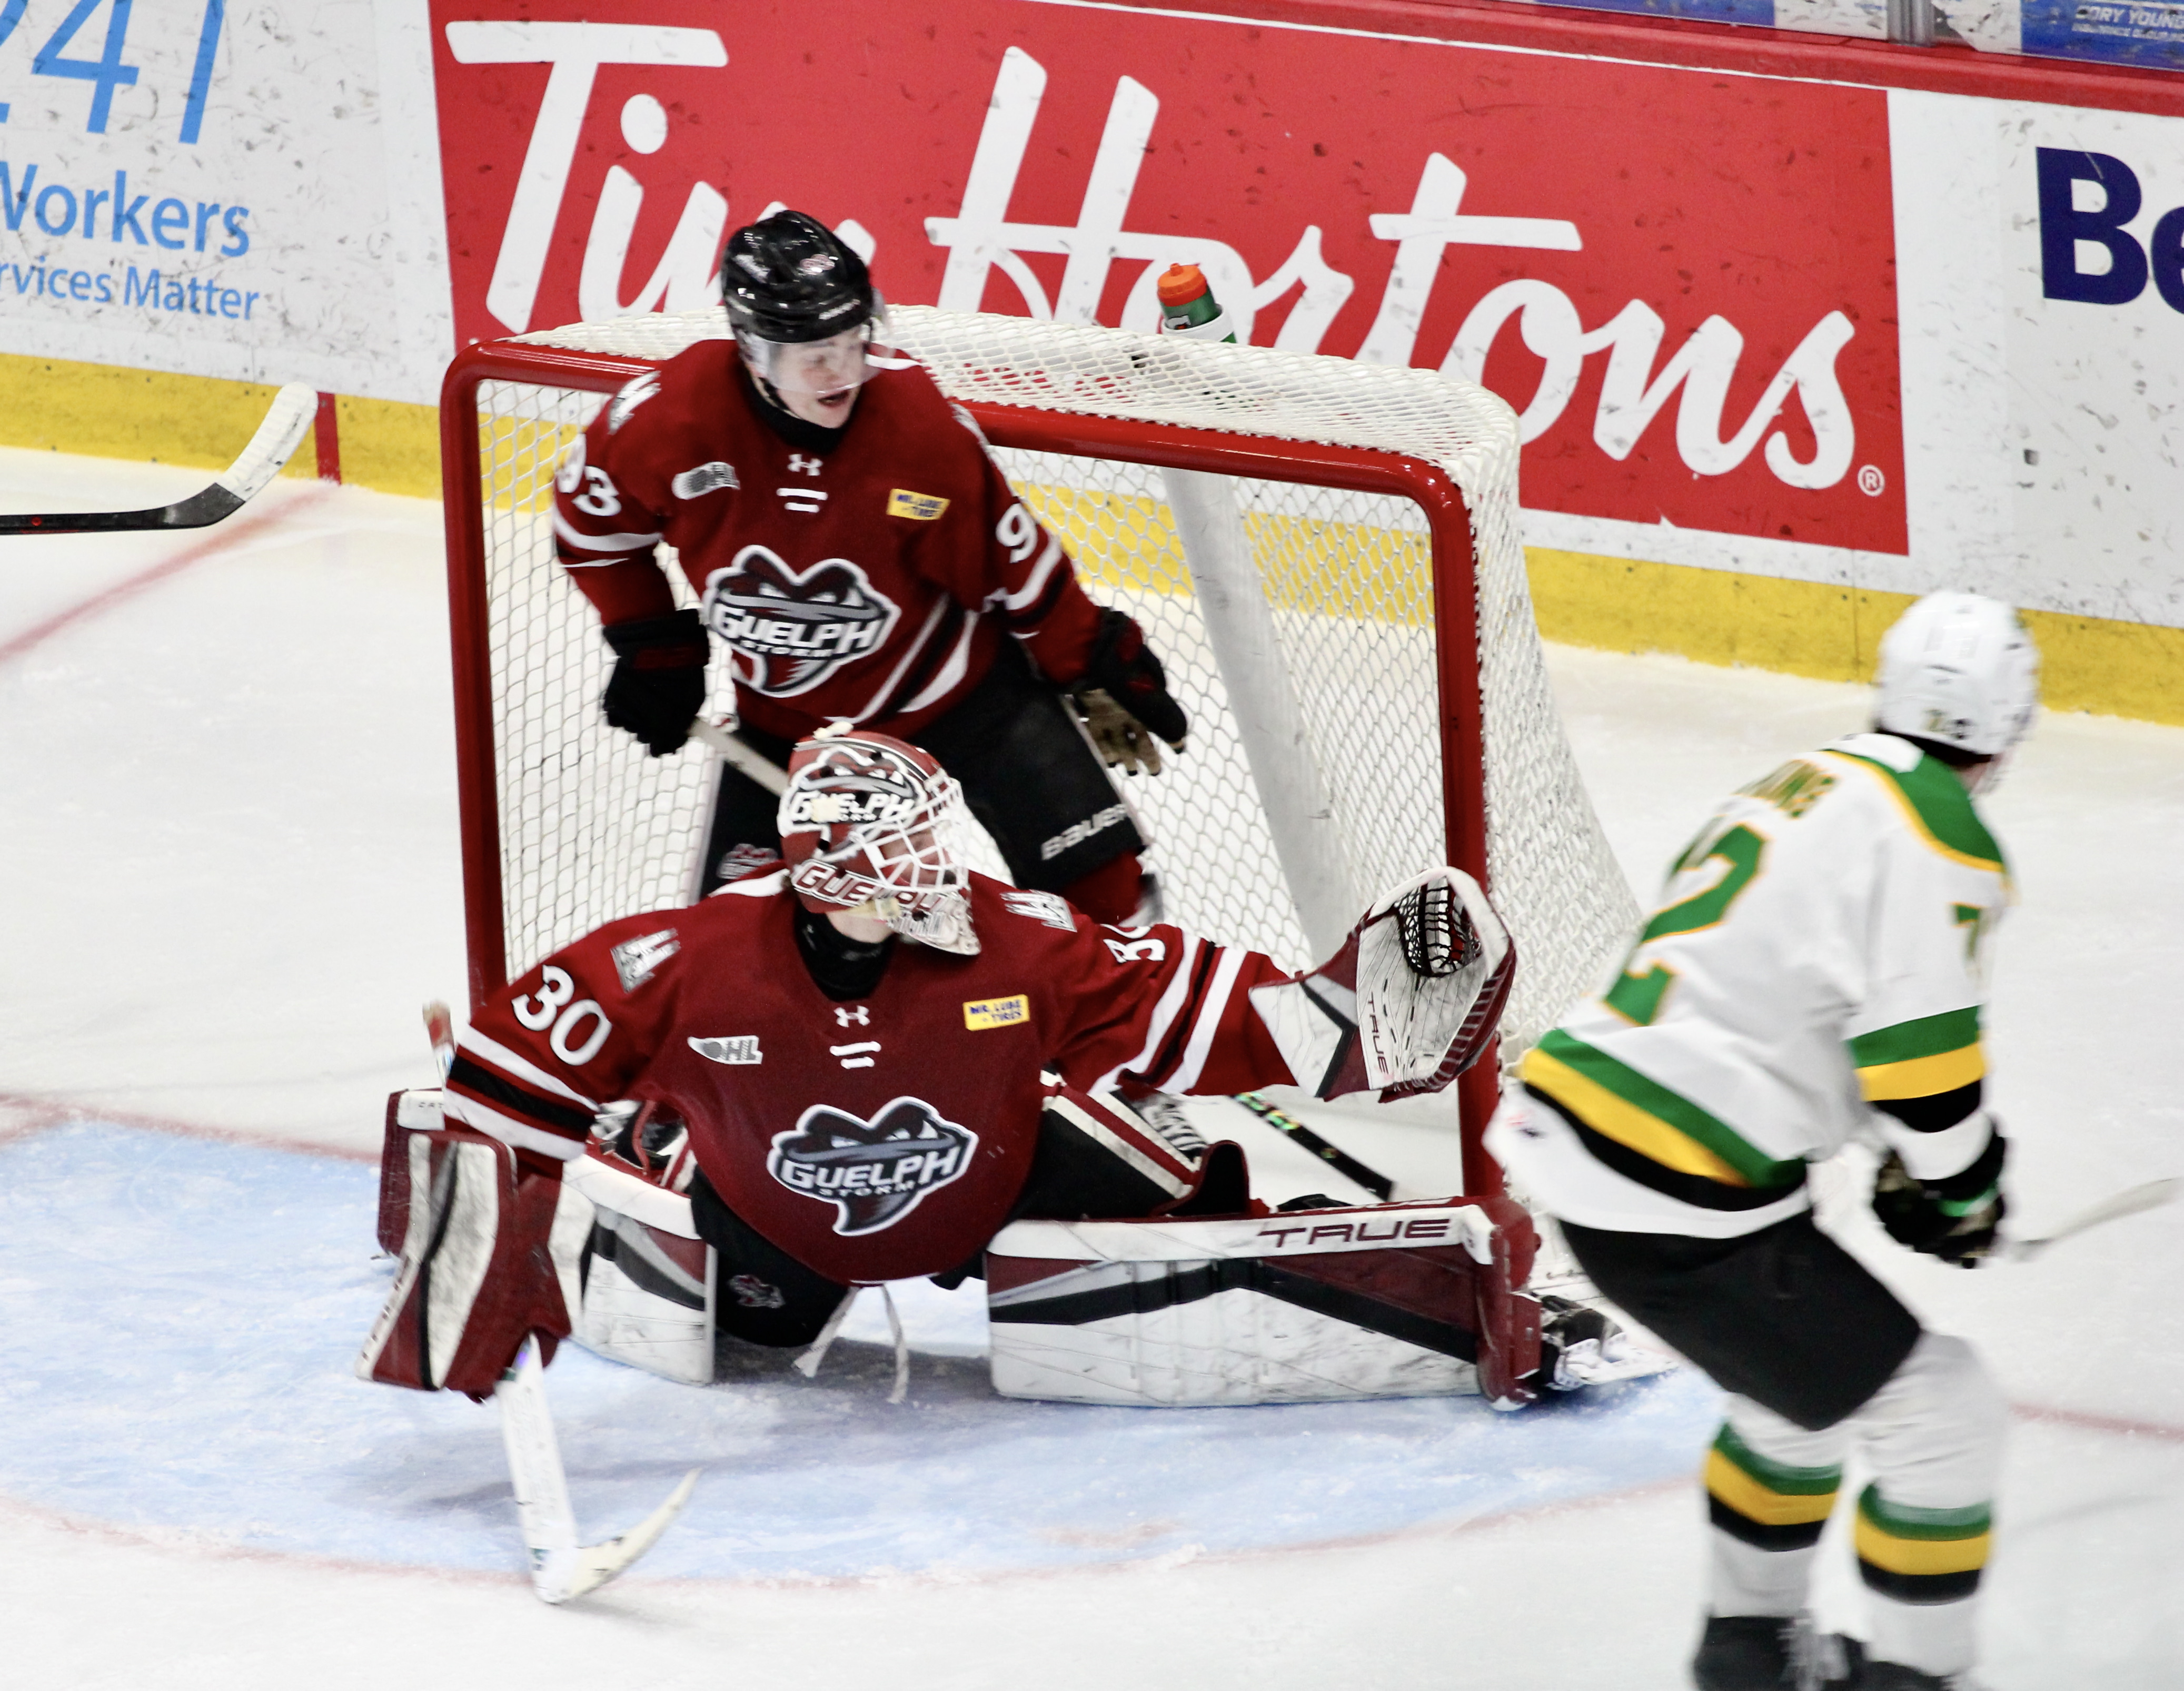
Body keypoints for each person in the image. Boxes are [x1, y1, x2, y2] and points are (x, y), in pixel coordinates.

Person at [1488, 592, 2037, 1691]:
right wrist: (1959, 1188)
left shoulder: (1802, 784)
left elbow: (1777, 996)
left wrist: (1907, 1157)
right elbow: (1923, 1071)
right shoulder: (1939, 826)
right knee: (1943, 1412)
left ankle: (1744, 1654)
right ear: (2002, 733)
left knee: (1792, 1400)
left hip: (1582, 1137)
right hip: (1678, 1182)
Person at [552, 208, 1185, 923]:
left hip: (963, 699)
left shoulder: (918, 435)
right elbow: (591, 526)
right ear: (752, 348)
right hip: (788, 725)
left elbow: (1014, 565)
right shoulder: (665, 423)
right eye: (811, 354)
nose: (841, 372)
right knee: (735, 946)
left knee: (1109, 900)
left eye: (851, 341)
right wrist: (652, 644)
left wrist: (1087, 656)